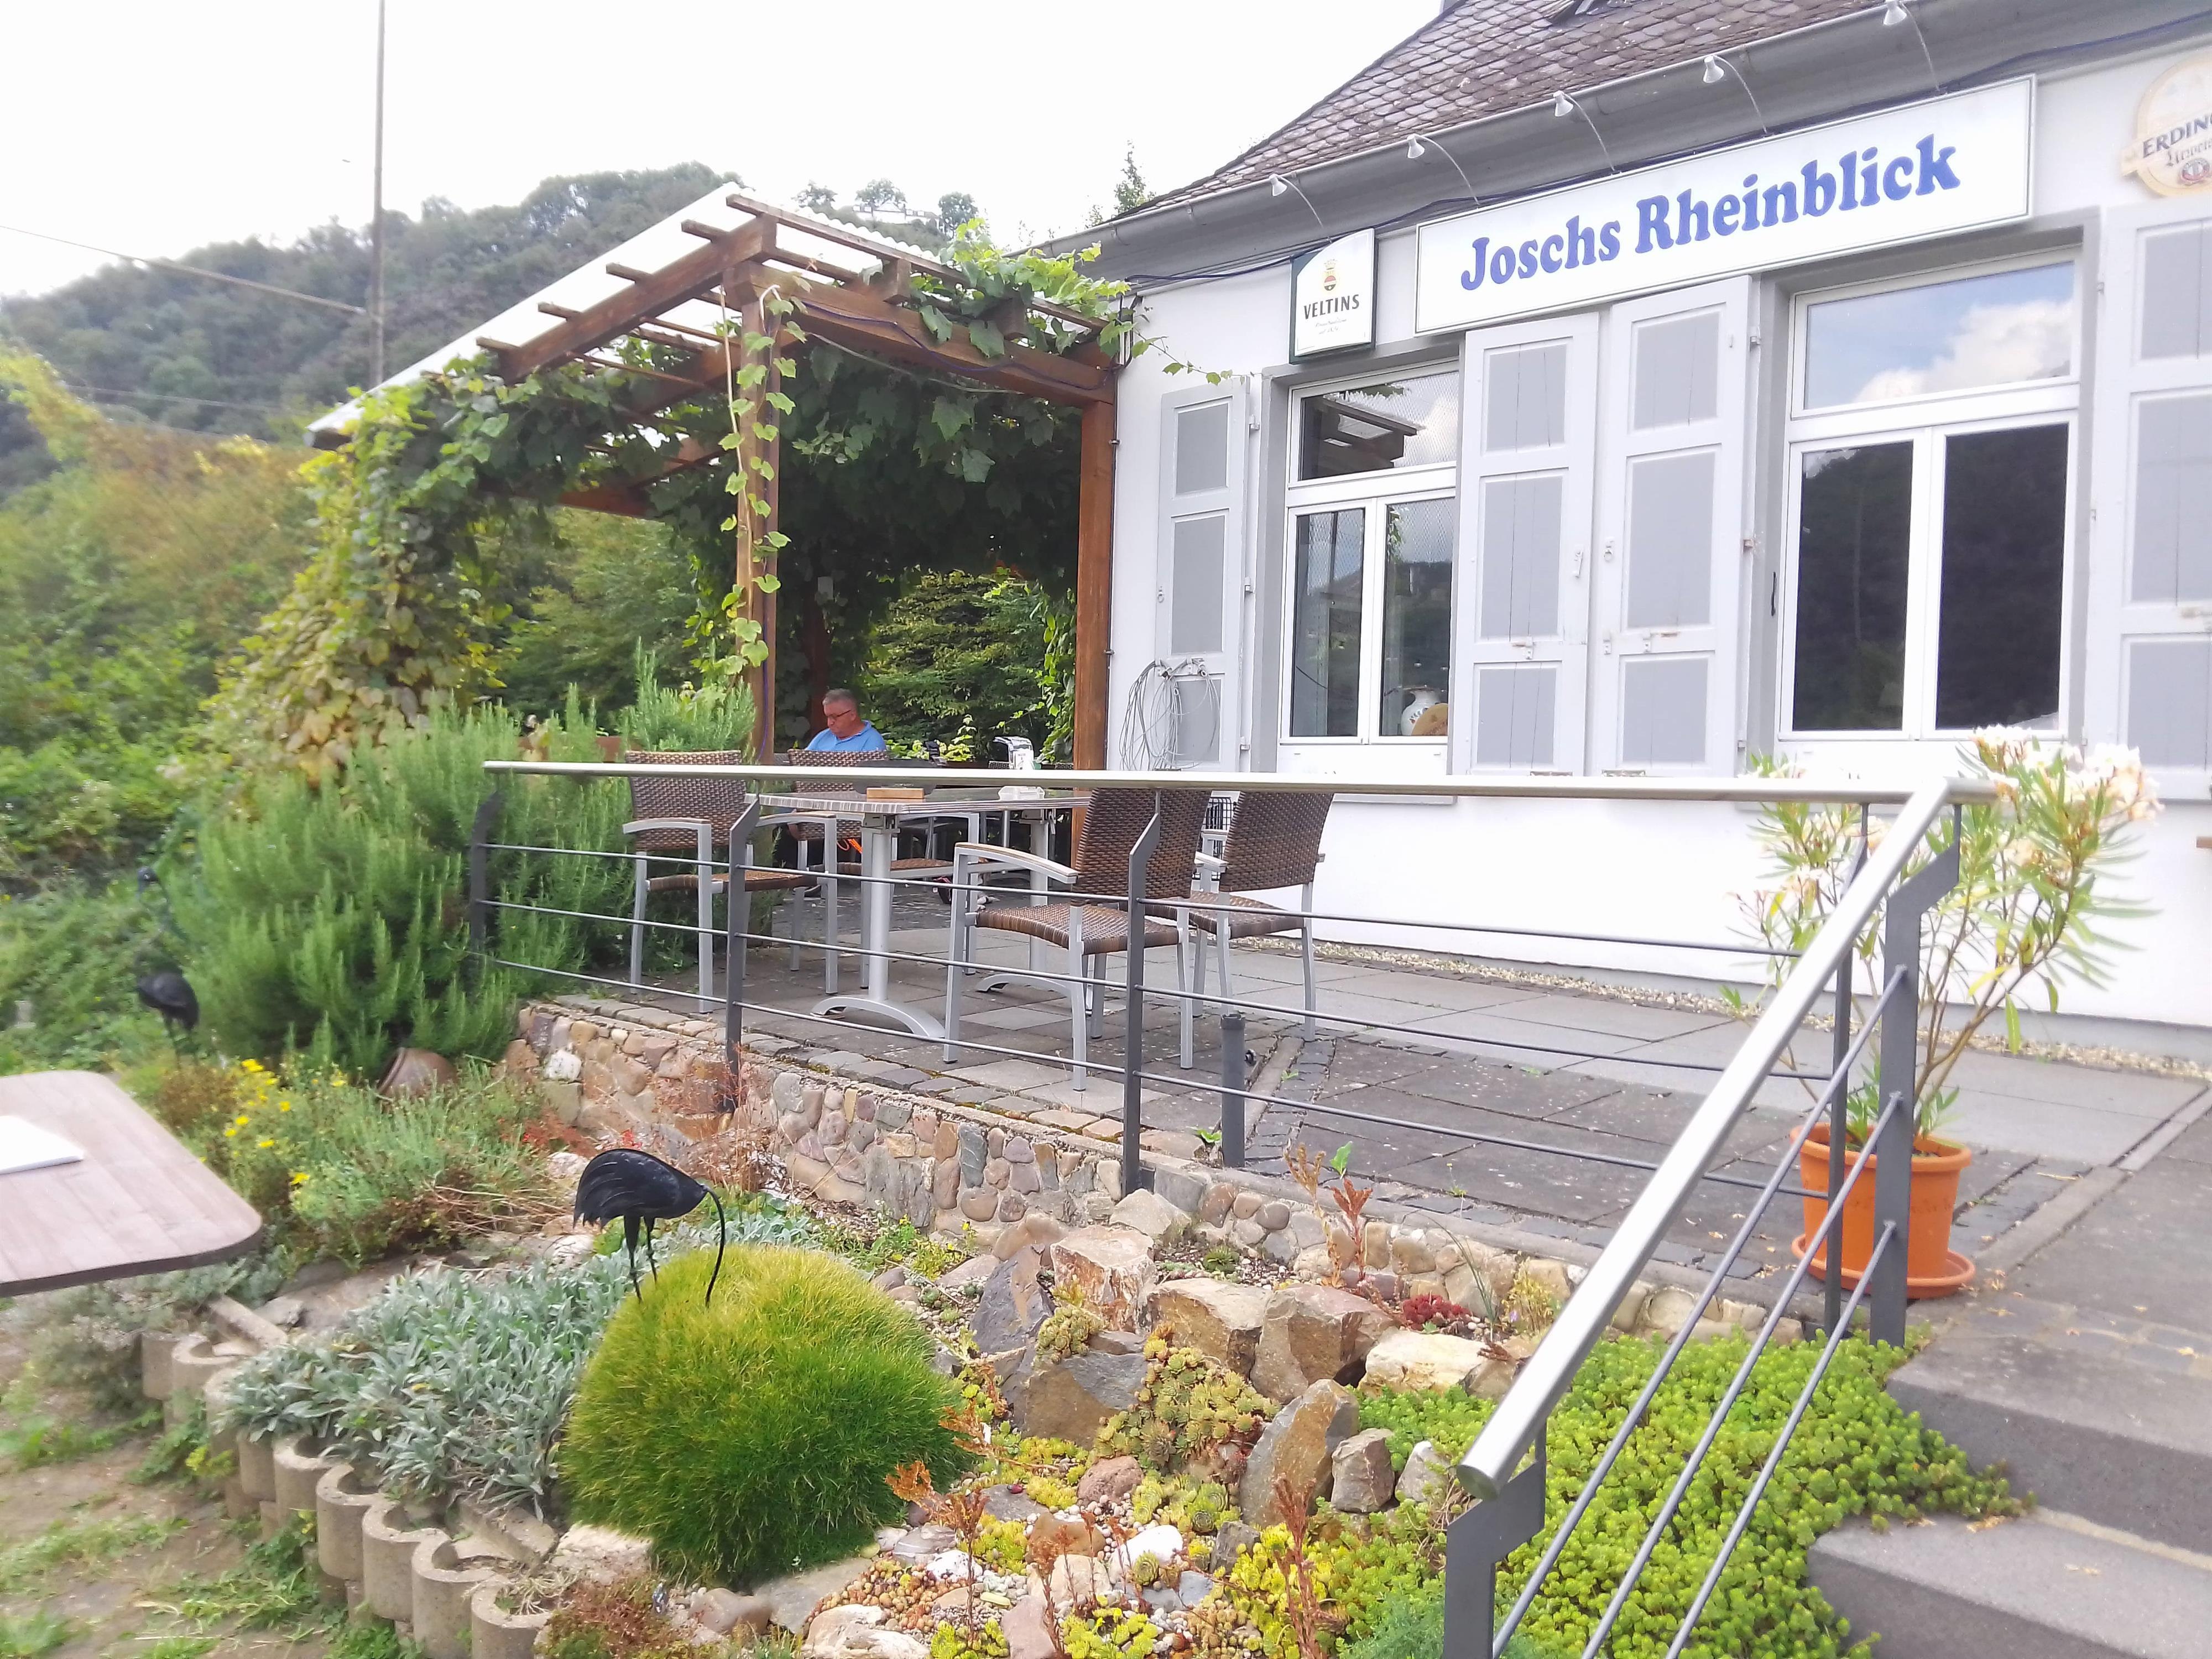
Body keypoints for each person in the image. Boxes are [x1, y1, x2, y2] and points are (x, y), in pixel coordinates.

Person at [806, 688, 886, 753]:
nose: (830, 723)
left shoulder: (872, 740)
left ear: (852, 715)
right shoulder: (823, 736)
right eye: (828, 717)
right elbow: (802, 763)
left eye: (835, 717)